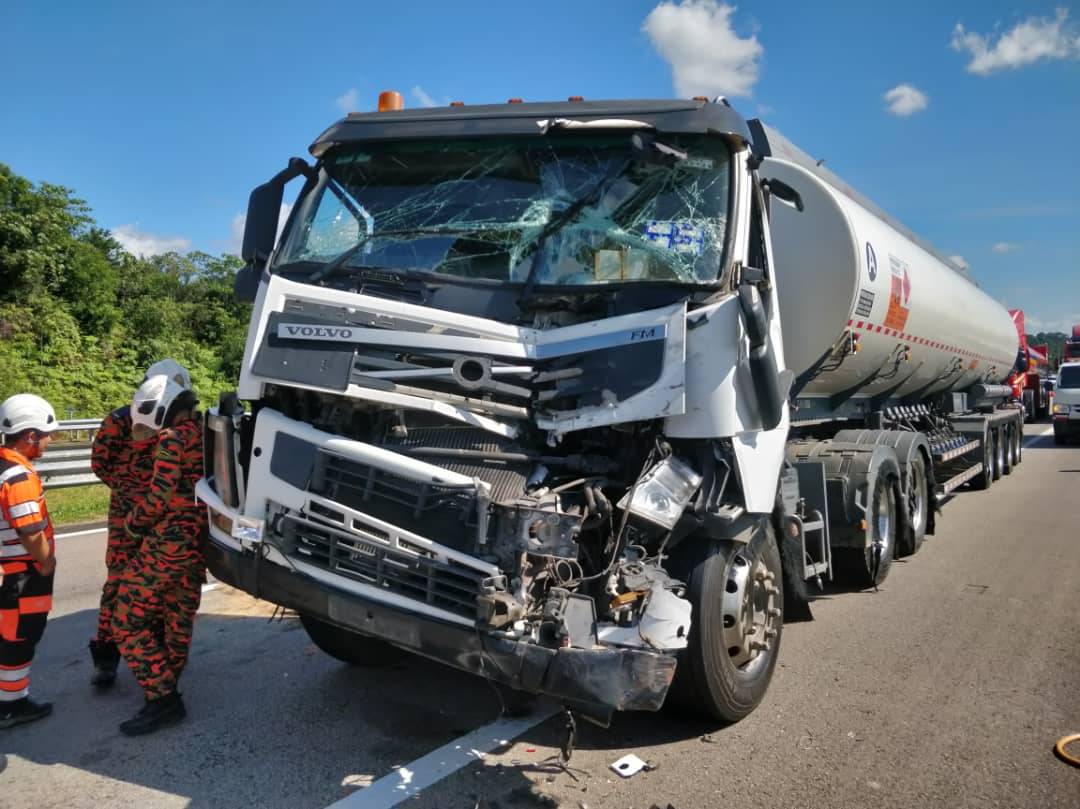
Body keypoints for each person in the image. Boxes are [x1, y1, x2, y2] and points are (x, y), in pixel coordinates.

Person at [88, 359, 191, 687]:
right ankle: (107, 655)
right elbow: (100, 464)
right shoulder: (121, 420)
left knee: (151, 584)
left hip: (157, 511)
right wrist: (128, 490)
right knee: (120, 581)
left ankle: (150, 652)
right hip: (133, 513)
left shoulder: (174, 424)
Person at [112, 375, 206, 736]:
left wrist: (132, 524)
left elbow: (158, 498)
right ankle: (167, 683)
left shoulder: (173, 439)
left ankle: (163, 698)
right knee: (178, 620)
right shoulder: (208, 432)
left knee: (126, 621)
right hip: (197, 544)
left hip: (167, 545)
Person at [0, 394, 59, 729]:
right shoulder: (18, 479)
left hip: (10, 571)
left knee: (9, 636)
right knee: (21, 638)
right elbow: (30, 532)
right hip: (23, 572)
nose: (49, 440)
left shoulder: (3, 465)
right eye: (46, 434)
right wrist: (46, 562)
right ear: (30, 435)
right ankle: (11, 705)